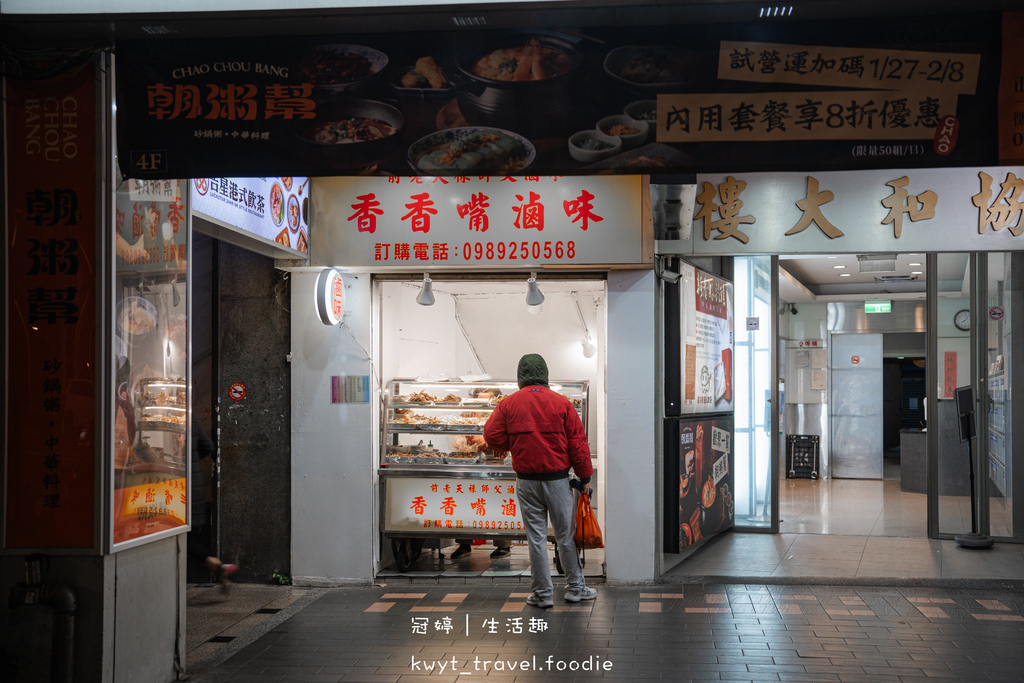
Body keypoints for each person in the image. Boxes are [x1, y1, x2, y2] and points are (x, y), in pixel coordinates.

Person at [483, 353, 597, 607]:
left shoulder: (508, 404)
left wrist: (513, 443)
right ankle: (576, 588)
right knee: (565, 536)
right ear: (545, 375)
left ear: (520, 376)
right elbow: (578, 444)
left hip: (526, 482)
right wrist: (585, 476)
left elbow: (492, 437)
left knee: (535, 538)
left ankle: (543, 594)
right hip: (557, 481)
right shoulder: (562, 403)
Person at [187, 415, 238, 591]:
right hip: (195, 491)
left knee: (184, 540)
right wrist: (192, 461)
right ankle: (216, 565)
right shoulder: (190, 418)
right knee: (188, 539)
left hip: (176, 490)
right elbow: (208, 445)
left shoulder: (175, 419)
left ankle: (216, 564)